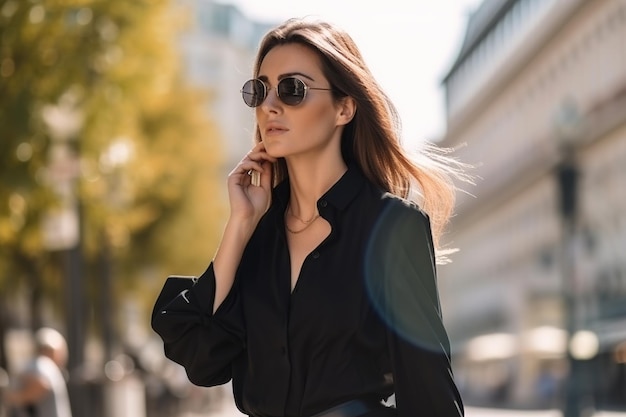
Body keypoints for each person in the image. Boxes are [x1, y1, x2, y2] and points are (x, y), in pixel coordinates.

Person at [152, 17, 468, 417]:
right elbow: (200, 355)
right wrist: (240, 226)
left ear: (344, 108)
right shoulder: (258, 231)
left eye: (292, 89)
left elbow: (429, 394)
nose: (270, 105)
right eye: (260, 90)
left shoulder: (391, 226)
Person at [4, 327, 72, 417]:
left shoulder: (40, 364)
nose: (63, 357)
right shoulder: (43, 363)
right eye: (61, 352)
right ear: (52, 351)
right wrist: (14, 398)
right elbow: (42, 384)